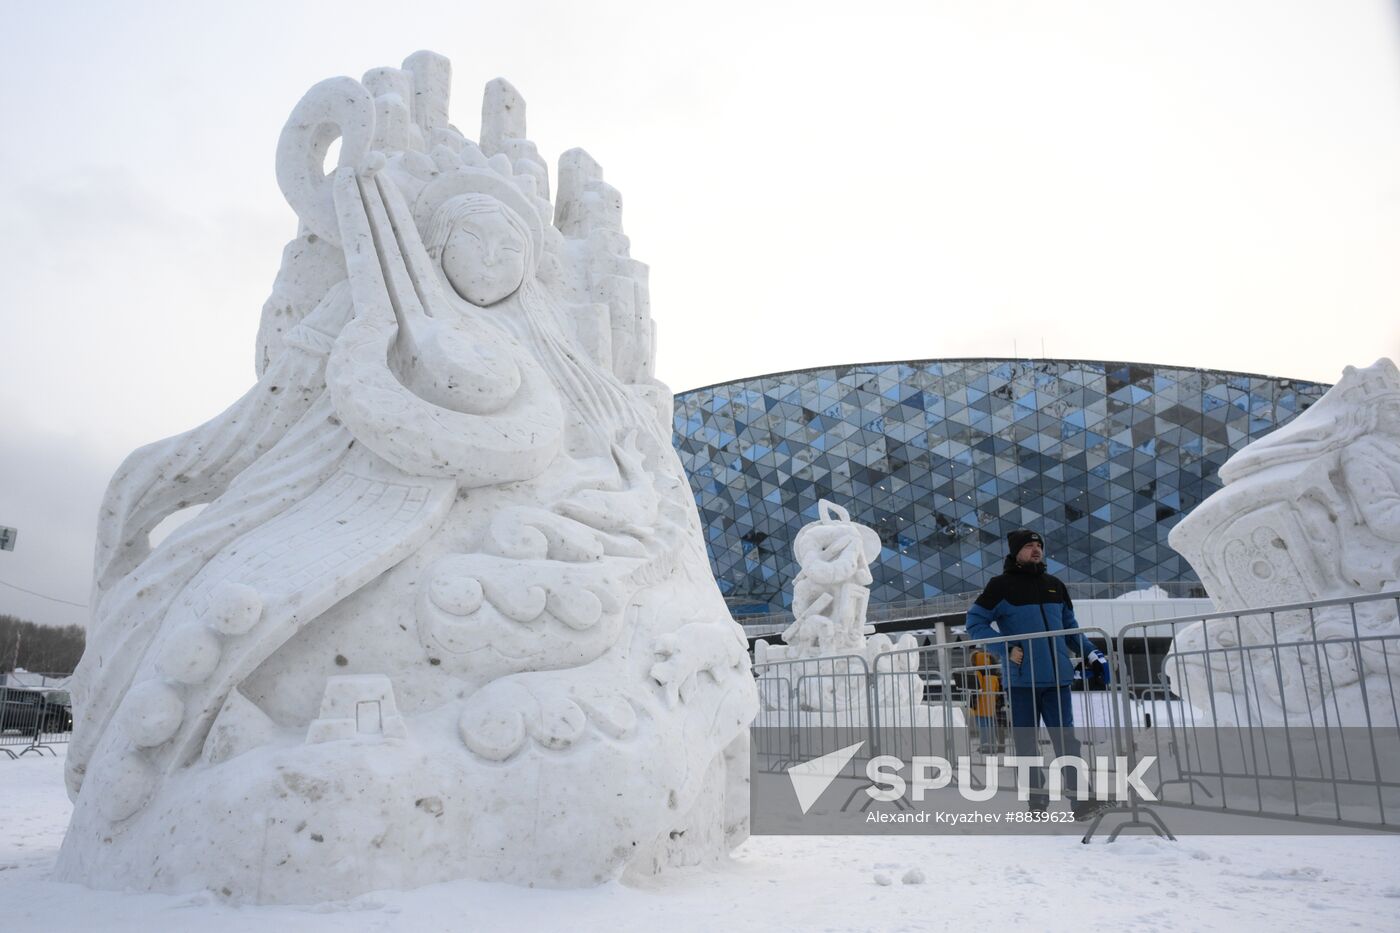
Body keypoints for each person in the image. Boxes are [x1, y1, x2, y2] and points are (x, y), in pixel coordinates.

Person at [964, 529, 1112, 820]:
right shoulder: (1000, 586)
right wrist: (1005, 647)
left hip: (1058, 679)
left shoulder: (1054, 585)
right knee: (1027, 743)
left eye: (1039, 545)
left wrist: (1091, 652)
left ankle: (1081, 801)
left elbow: (1070, 628)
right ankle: (1036, 801)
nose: (1036, 550)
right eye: (1030, 546)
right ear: (1016, 551)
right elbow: (975, 622)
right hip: (1022, 681)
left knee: (1067, 741)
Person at [968, 647, 1002, 753]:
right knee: (990, 727)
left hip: (981, 707)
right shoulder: (994, 675)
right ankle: (992, 746)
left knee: (983, 727)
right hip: (991, 707)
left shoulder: (978, 674)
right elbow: (997, 692)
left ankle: (985, 747)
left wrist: (971, 705)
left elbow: (975, 690)